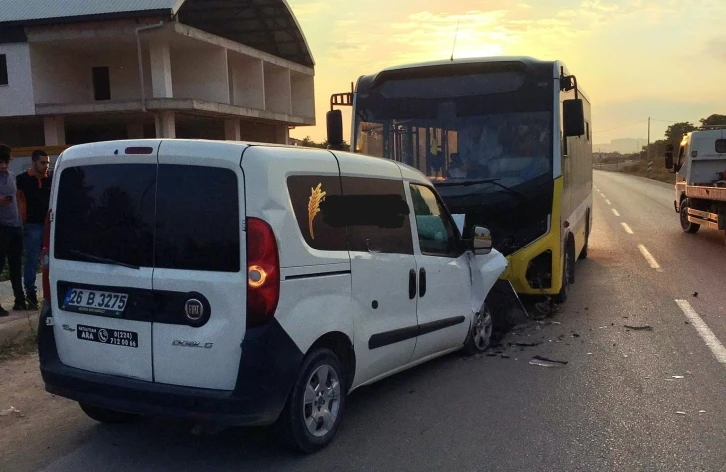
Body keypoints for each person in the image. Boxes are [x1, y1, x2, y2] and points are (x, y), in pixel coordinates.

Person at [17, 149, 52, 310]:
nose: (46, 166)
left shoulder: (50, 180)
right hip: (31, 225)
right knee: (31, 261)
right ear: (34, 162)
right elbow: (18, 202)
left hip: (49, 225)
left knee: (51, 261)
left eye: (47, 163)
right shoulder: (22, 180)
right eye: (42, 162)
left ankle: (51, 293)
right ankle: (31, 295)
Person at [0, 145, 26, 316]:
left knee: (16, 266)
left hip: (15, 226)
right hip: (1, 226)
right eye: (0, 162)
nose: (3, 165)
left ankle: (20, 300)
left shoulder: (12, 176)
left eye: (6, 161)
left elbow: (17, 198)